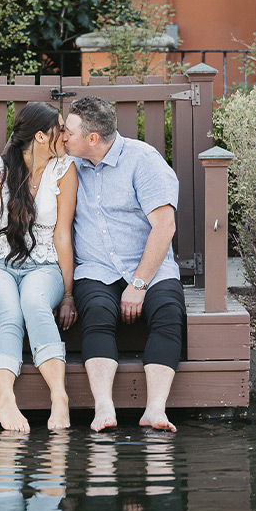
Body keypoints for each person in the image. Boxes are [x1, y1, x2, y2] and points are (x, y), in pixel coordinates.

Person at [61, 96, 186, 433]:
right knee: (99, 312)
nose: (62, 136)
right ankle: (104, 408)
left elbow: (165, 226)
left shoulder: (143, 161)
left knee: (169, 312)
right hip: (96, 269)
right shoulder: (68, 163)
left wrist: (139, 283)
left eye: (68, 131)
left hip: (148, 267)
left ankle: (155, 410)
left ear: (92, 139)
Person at [0, 102, 78, 433]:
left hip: (44, 265)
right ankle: (5, 402)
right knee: (10, 313)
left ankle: (59, 398)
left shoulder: (64, 171)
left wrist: (68, 294)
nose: (66, 135)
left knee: (35, 305)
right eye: (60, 129)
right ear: (40, 136)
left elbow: (63, 236)